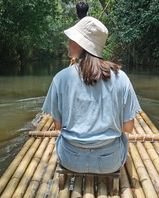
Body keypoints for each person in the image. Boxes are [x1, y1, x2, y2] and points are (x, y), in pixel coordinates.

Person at [42, 16, 141, 174]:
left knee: (61, 139)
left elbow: (58, 126)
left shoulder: (61, 78)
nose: (68, 42)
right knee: (123, 139)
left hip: (70, 160)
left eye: (72, 39)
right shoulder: (121, 78)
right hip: (110, 162)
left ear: (81, 45)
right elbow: (127, 127)